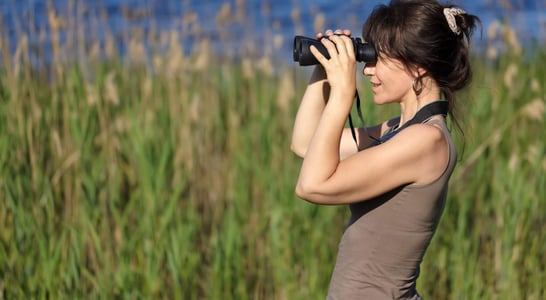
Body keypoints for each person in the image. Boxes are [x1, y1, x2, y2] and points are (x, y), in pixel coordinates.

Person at [290, 0, 480, 299]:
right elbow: (304, 143)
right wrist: (324, 69)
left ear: (417, 67)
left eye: (379, 58)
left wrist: (342, 95)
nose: (367, 70)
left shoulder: (426, 141)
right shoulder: (396, 131)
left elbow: (311, 186)